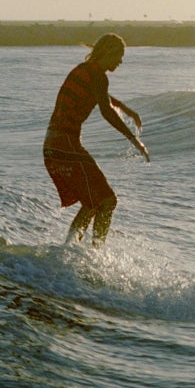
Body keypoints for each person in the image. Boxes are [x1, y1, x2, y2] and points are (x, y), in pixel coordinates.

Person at [43, 33, 150, 247]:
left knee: (93, 203)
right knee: (107, 201)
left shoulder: (84, 70)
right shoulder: (98, 76)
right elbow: (105, 110)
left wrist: (126, 109)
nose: (121, 61)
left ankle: (72, 249)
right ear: (108, 52)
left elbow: (102, 96)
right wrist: (133, 140)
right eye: (119, 55)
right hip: (66, 145)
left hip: (53, 146)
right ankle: (93, 253)